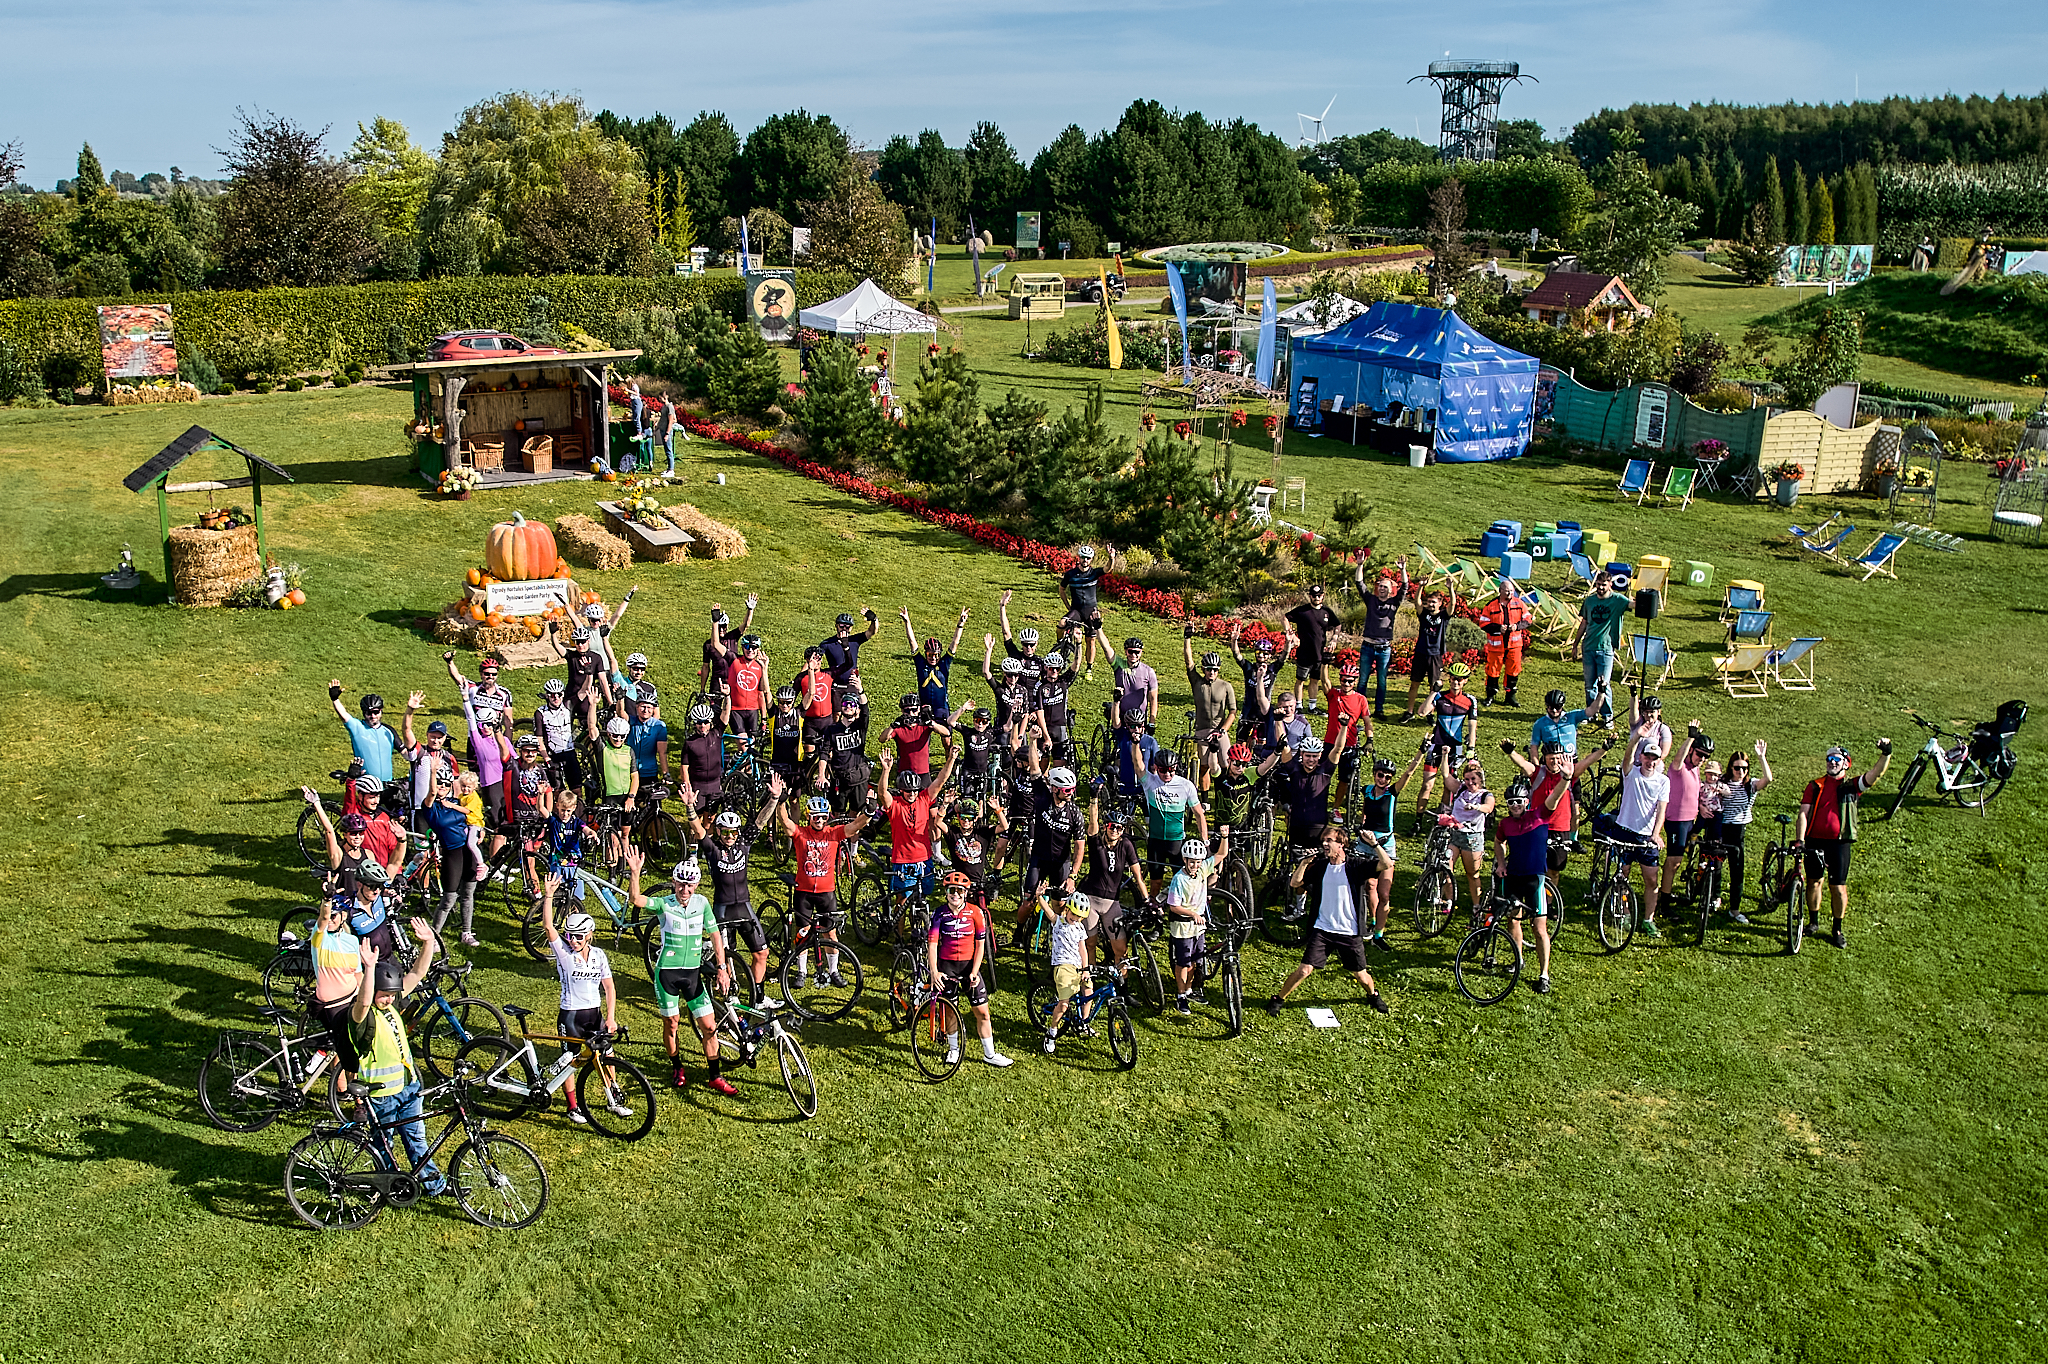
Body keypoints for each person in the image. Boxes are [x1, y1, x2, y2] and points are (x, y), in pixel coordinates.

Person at [625, 848, 736, 1095]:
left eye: (690, 886)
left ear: (696, 884)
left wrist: (722, 968)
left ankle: (715, 1076)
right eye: (681, 885)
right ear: (674, 883)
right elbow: (637, 900)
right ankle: (677, 1067)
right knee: (672, 1024)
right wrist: (635, 874)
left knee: (709, 1027)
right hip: (668, 974)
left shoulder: (702, 903)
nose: (685, 891)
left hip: (693, 975)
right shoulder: (665, 904)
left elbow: (715, 935)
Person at [350, 923, 447, 1192]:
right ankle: (389, 1184)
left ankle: (433, 1185)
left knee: (417, 1141)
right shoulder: (362, 1016)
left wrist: (428, 943)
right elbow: (364, 1000)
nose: (389, 1000)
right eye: (384, 996)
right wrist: (369, 969)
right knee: (384, 1145)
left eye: (392, 996)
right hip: (382, 1095)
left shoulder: (391, 1003)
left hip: (409, 1088)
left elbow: (416, 973)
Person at [1266, 827, 1392, 1017]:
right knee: (1304, 970)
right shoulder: (1321, 866)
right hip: (1323, 929)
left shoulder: (1356, 866)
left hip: (1349, 932)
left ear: (1341, 844)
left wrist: (1373, 844)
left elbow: (1386, 863)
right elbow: (1294, 883)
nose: (1325, 844)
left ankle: (1373, 995)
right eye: (1324, 840)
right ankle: (1278, 999)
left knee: (1361, 975)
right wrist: (1304, 863)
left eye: (1330, 840)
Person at [688, 777, 785, 1006]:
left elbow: (761, 821)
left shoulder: (743, 844)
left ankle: (758, 997)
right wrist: (690, 808)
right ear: (719, 832)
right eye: (725, 833)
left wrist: (774, 798)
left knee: (762, 953)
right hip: (722, 912)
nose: (730, 837)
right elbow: (698, 829)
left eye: (733, 832)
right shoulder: (712, 849)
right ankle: (728, 996)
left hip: (744, 907)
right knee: (728, 960)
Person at [537, 880, 626, 1125]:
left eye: (578, 936)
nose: (573, 940)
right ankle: (572, 1106)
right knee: (572, 1061)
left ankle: (613, 1097)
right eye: (570, 935)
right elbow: (547, 927)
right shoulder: (564, 954)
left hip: (594, 1014)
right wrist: (548, 896)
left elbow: (609, 987)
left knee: (607, 1053)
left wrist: (610, 1017)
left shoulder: (599, 955)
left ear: (589, 935)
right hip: (571, 1016)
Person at [1796, 739, 1892, 949]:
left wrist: (1886, 753)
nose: (1832, 762)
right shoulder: (1815, 786)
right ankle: (1813, 922)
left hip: (1839, 843)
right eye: (1829, 759)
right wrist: (1800, 840)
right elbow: (1803, 813)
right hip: (1814, 840)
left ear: (1846, 764)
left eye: (1836, 759)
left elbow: (1875, 774)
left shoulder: (1851, 786)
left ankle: (1837, 929)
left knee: (1838, 887)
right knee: (1814, 882)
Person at [775, 795, 871, 988]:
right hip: (804, 892)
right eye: (815, 817)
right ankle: (802, 971)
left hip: (827, 893)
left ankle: (833, 971)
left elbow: (855, 826)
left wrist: (869, 812)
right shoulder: (800, 833)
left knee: (831, 934)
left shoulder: (834, 833)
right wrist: (780, 801)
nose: (819, 820)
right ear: (808, 817)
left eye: (823, 817)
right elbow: (784, 822)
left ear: (827, 817)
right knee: (802, 933)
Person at [926, 872, 1013, 1067]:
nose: (955, 894)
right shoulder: (939, 913)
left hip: (969, 969)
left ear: (966, 893)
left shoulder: (976, 913)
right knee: (950, 1011)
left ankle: (989, 1054)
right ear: (946, 892)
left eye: (959, 891)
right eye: (951, 890)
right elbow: (932, 945)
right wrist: (934, 971)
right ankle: (953, 1050)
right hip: (946, 968)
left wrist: (975, 971)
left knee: (982, 1012)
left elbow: (981, 945)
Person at [1491, 775, 1569, 994]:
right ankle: (1519, 960)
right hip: (1513, 876)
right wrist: (1501, 863)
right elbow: (1498, 842)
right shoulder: (1505, 823)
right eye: (1510, 802)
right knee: (1513, 921)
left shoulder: (1540, 815)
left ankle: (1544, 974)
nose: (1515, 805)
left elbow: (1555, 796)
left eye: (1519, 801)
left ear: (1527, 801)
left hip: (1534, 878)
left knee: (1539, 927)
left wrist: (1566, 778)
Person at [1595, 739, 1672, 936]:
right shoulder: (1631, 774)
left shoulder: (1663, 781)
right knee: (1622, 875)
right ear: (1641, 757)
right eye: (1647, 756)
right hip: (1624, 832)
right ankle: (1625, 913)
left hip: (1646, 837)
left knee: (1652, 880)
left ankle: (1648, 919)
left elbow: (1661, 810)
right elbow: (1627, 756)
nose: (1650, 761)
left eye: (1655, 758)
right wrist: (1637, 736)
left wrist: (1656, 834)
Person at [1352, 750, 1427, 948]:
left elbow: (1409, 773)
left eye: (1387, 776)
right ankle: (1373, 921)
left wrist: (1421, 751)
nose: (1384, 779)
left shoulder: (1391, 793)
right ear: (1374, 774)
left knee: (1385, 893)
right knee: (1369, 886)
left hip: (1385, 845)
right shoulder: (1367, 791)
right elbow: (1364, 814)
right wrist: (1361, 828)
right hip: (1365, 842)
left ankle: (1379, 934)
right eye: (1380, 775)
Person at [878, 739, 958, 906]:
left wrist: (950, 759)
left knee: (922, 897)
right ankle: (899, 932)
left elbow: (940, 781)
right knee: (902, 899)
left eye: (915, 790)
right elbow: (882, 793)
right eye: (908, 791)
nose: (912, 794)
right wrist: (886, 771)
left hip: (924, 858)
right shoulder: (895, 805)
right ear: (901, 790)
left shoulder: (924, 799)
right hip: (902, 860)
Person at [1078, 792, 1149, 969]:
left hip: (1112, 902)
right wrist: (1093, 798)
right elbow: (1092, 823)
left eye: (1119, 828)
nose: (1115, 830)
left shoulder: (1126, 845)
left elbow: (1138, 877)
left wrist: (1147, 901)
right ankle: (1089, 985)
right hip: (1091, 899)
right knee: (1090, 945)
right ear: (1105, 827)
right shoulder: (1096, 843)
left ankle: (1122, 988)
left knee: (1121, 950)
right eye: (1112, 826)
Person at [1017, 766, 1086, 945]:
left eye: (1073, 789)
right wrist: (1032, 741)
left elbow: (1080, 847)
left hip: (1060, 864)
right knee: (1028, 903)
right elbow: (1034, 770)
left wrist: (1072, 876)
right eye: (1067, 790)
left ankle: (1059, 938)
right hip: (1038, 860)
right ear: (1055, 789)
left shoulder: (1075, 814)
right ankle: (1019, 931)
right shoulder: (1042, 798)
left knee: (1060, 906)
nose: (1071, 793)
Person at [1707, 740, 1772, 923]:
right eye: (1737, 768)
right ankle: (1714, 897)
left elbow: (1768, 779)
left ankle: (1734, 909)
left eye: (1744, 768)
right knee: (1715, 866)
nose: (1741, 772)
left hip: (1738, 830)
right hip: (1720, 827)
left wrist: (1761, 757)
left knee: (1737, 871)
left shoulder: (1749, 786)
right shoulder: (1722, 782)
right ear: (1731, 767)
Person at [1165, 836, 1225, 1016]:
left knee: (1195, 961)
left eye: (1198, 862)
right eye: (1192, 862)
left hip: (1198, 927)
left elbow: (1222, 853)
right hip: (1183, 927)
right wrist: (1193, 914)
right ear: (1185, 860)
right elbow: (1173, 906)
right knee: (1183, 963)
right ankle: (1180, 995)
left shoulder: (1202, 870)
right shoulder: (1178, 880)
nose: (1196, 866)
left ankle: (1189, 990)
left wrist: (1224, 836)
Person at [1416, 664, 1479, 823]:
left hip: (1455, 748)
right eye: (1452, 678)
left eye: (1458, 680)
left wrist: (1471, 748)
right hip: (1436, 745)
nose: (1455, 682)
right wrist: (1434, 691)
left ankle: (1443, 818)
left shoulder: (1470, 700)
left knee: (1448, 786)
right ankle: (1418, 820)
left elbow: (1472, 727)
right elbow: (1422, 712)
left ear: (1464, 681)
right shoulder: (1440, 697)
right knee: (1427, 785)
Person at [1657, 722, 1709, 905]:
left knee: (1678, 861)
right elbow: (1677, 760)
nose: (1702, 759)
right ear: (1692, 751)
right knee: (1673, 861)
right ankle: (1664, 900)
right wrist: (1690, 738)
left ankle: (1667, 893)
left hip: (1689, 820)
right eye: (1700, 754)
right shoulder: (1680, 768)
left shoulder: (1695, 770)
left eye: (1706, 757)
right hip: (1676, 820)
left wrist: (1700, 806)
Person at [1183, 629, 1238, 794]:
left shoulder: (1225, 686)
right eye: (1208, 669)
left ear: (1218, 669)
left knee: (1226, 763)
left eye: (1214, 669)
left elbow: (1233, 711)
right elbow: (1188, 661)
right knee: (1205, 764)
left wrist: (1223, 730)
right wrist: (1187, 638)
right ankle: (1205, 798)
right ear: (1204, 669)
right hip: (1202, 729)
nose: (1211, 672)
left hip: (1220, 730)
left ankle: (1226, 793)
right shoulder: (1197, 682)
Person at [1570, 571, 1629, 725]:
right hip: (1588, 647)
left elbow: (1633, 605)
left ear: (1610, 584)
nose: (1600, 588)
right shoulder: (1589, 601)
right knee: (1589, 685)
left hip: (1606, 649)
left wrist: (1646, 596)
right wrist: (1575, 644)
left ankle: (1607, 716)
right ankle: (1591, 713)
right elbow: (1584, 622)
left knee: (1604, 684)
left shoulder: (1617, 600)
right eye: (1598, 584)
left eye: (1604, 585)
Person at [1040, 891, 1095, 1052]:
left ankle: (1083, 1023)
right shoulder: (1059, 922)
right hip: (1063, 966)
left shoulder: (1079, 928)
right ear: (1067, 909)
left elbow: (1083, 950)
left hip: (1078, 966)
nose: (1075, 918)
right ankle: (1052, 1032)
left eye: (1079, 916)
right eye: (1073, 914)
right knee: (1063, 1004)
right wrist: (1039, 897)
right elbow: (1048, 911)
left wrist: (1085, 969)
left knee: (1088, 990)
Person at [1350, 563, 1406, 719]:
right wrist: (1360, 564)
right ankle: (1359, 709)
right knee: (1362, 679)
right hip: (1367, 646)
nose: (1382, 589)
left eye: (1386, 587)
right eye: (1380, 586)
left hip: (1384, 649)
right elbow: (1359, 583)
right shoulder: (1371, 600)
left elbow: (1405, 587)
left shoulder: (1394, 603)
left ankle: (1379, 710)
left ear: (1390, 590)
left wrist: (1402, 570)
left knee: (1382, 681)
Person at [1138, 746, 1207, 872]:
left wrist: (1205, 840)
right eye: (1163, 770)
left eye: (1171, 770)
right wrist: (1135, 743)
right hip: (1155, 840)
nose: (1167, 774)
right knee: (1156, 883)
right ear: (1156, 768)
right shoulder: (1150, 782)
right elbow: (1138, 764)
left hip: (1176, 841)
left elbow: (1198, 814)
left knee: (1180, 880)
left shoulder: (1186, 785)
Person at [1444, 756, 1496, 913]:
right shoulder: (1460, 789)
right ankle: (1449, 901)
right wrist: (1445, 755)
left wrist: (1476, 807)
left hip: (1472, 839)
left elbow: (1489, 808)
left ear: (1480, 779)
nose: (1469, 782)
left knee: (1472, 874)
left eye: (1473, 779)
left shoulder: (1486, 794)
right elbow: (1446, 777)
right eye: (1466, 779)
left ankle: (1476, 905)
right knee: (1446, 867)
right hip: (1454, 835)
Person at [400, 696, 459, 832]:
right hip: (421, 808)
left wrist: (454, 805)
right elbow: (406, 730)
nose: (435, 740)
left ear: (445, 738)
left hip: (443, 809)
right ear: (427, 735)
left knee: (443, 849)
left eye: (439, 738)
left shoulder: (450, 758)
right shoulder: (420, 752)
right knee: (423, 850)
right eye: (433, 736)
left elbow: (456, 784)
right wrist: (410, 711)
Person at [327, 680, 397, 792]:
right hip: (366, 785)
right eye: (369, 713)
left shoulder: (388, 731)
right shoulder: (358, 727)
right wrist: (335, 699)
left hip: (388, 785)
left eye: (376, 712)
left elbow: (407, 753)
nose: (373, 716)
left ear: (381, 711)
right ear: (364, 714)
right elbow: (344, 716)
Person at [903, 606, 969, 719]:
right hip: (923, 706)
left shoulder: (944, 663)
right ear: (925, 653)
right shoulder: (920, 663)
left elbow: (955, 643)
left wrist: (960, 624)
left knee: (946, 735)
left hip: (941, 707)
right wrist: (907, 621)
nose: (933, 658)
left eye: (936, 655)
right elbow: (912, 641)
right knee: (922, 735)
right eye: (929, 655)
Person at [1405, 583, 1458, 723]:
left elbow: (1453, 604)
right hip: (1421, 653)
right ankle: (1409, 712)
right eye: (1429, 602)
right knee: (1414, 683)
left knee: (1433, 686)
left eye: (1433, 602)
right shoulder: (1424, 614)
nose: (1431, 605)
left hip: (1435, 654)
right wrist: (1420, 586)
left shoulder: (1444, 616)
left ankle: (1429, 713)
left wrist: (1450, 588)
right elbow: (1417, 601)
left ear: (1440, 603)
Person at [1477, 576, 1534, 706]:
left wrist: (1517, 626)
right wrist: (1498, 628)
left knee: (1513, 670)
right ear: (1500, 591)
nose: (1510, 594)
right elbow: (1483, 623)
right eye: (1507, 591)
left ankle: (1510, 696)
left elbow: (1528, 619)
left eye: (1512, 591)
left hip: (1514, 645)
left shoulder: (1519, 604)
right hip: (1496, 646)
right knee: (1493, 670)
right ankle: (1490, 695)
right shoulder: (1491, 606)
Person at [1321, 663, 1372, 805]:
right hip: (1330, 742)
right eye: (1344, 680)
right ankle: (1319, 802)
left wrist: (1370, 740)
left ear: (1355, 682)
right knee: (1323, 775)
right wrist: (1325, 664)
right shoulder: (1333, 695)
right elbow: (1324, 681)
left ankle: (1336, 806)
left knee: (1344, 779)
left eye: (1350, 681)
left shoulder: (1361, 699)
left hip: (1349, 744)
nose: (1346, 683)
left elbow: (1367, 722)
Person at [1284, 584, 1340, 714]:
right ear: (1310, 596)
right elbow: (1285, 617)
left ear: (1323, 596)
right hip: (1304, 652)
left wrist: (1334, 638)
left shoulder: (1327, 612)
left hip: (1319, 652)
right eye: (1314, 596)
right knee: (1301, 679)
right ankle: (1298, 706)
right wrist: (1291, 634)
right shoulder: (1302, 611)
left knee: (1315, 680)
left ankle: (1312, 707)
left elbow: (1337, 625)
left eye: (1319, 595)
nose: (1316, 597)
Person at [1060, 546, 1107, 677]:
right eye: (1083, 557)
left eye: (1088, 558)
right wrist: (1067, 605)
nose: (1085, 560)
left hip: (1091, 612)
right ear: (1079, 558)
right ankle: (1059, 645)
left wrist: (1111, 558)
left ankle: (1089, 669)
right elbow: (1061, 588)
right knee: (1062, 623)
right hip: (1076, 610)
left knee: (1090, 640)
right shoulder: (1071, 574)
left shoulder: (1094, 573)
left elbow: (1108, 569)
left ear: (1091, 559)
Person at [1102, 631, 1160, 734]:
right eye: (1130, 651)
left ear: (1141, 652)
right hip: (1121, 715)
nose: (1133, 655)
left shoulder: (1148, 671)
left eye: (1137, 652)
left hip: (1139, 717)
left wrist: (1152, 722)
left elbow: (1153, 698)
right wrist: (1098, 629)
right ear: (1126, 651)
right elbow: (1107, 649)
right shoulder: (1119, 665)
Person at [675, 703, 726, 816]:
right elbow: (684, 767)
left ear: (710, 722)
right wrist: (688, 788)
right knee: (696, 816)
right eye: (699, 722)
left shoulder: (716, 734)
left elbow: (725, 714)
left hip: (715, 784)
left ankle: (708, 834)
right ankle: (694, 834)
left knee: (711, 817)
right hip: (698, 786)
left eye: (706, 722)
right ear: (694, 723)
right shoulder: (689, 743)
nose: (702, 725)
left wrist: (727, 696)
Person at [1230, 624, 1280, 736]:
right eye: (1258, 652)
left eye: (1265, 653)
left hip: (1264, 709)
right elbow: (1237, 655)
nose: (1261, 655)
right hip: (1248, 708)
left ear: (1270, 655)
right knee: (1240, 740)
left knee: (1262, 742)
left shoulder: (1272, 669)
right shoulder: (1249, 668)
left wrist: (1288, 643)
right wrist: (1234, 641)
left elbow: (1283, 658)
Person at [533, 678, 582, 794]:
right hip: (553, 755)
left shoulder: (568, 705)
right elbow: (539, 739)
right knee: (557, 793)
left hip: (569, 753)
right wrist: (546, 758)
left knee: (577, 791)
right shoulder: (540, 713)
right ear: (547, 695)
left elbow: (583, 692)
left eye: (559, 694)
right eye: (552, 695)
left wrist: (588, 673)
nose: (556, 698)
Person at [820, 608, 879, 702]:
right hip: (835, 685)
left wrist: (874, 619)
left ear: (851, 628)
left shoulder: (854, 640)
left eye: (847, 627)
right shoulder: (827, 644)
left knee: (854, 712)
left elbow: (871, 632)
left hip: (852, 685)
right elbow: (814, 659)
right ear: (836, 625)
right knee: (836, 713)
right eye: (842, 626)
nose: (844, 629)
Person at [721, 632, 769, 742]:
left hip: (753, 710)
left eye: (754, 647)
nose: (750, 650)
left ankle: (739, 758)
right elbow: (716, 644)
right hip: (735, 709)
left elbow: (762, 693)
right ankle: (737, 757)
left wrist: (763, 719)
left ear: (758, 649)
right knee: (743, 743)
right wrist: (715, 623)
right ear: (742, 647)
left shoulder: (759, 666)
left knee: (751, 744)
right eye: (747, 646)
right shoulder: (734, 660)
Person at [627, 689, 670, 791]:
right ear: (637, 707)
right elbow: (621, 713)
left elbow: (662, 752)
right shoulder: (630, 721)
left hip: (649, 771)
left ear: (653, 709)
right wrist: (620, 700)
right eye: (643, 706)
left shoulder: (659, 726)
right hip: (630, 770)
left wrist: (665, 773)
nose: (645, 710)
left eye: (649, 707)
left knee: (652, 803)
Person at [1529, 689, 1590, 760]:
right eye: (1551, 707)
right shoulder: (1539, 723)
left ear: (1562, 706)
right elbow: (1534, 746)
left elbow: (1592, 711)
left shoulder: (1572, 716)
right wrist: (1537, 767)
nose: (1554, 711)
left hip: (1571, 759)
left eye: (1557, 707)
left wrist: (1601, 693)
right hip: (1551, 762)